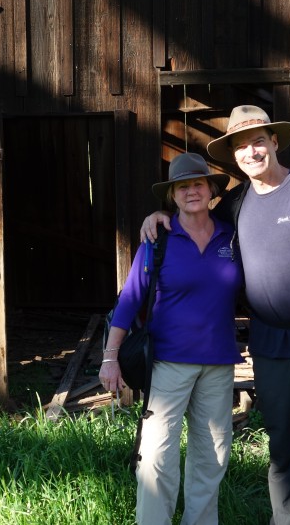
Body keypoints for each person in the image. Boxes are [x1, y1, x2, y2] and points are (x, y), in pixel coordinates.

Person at [141, 105, 290, 525]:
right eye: (241, 146)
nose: (251, 152)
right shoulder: (235, 202)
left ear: (274, 141)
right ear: (233, 155)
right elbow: (194, 216)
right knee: (281, 451)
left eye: (258, 141)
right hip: (269, 345)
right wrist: (159, 216)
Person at [101, 152, 245, 525]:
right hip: (167, 364)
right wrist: (109, 357)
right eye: (182, 187)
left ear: (211, 190)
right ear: (172, 195)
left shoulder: (232, 236)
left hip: (218, 363)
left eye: (198, 184)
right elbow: (130, 299)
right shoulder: (158, 239)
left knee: (212, 455)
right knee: (156, 456)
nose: (191, 191)